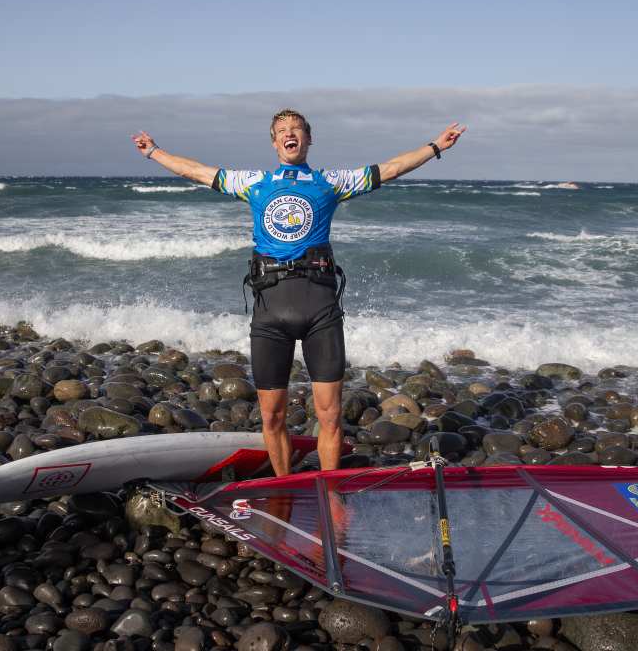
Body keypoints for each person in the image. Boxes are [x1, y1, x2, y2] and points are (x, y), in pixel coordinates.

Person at [132, 110, 465, 476]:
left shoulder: (331, 182)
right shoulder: (254, 182)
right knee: (272, 417)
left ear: (309, 139)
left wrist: (435, 146)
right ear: (275, 143)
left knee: (331, 416)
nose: (290, 134)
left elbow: (390, 169)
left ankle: (330, 490)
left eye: (297, 130)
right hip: (270, 312)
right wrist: (154, 152)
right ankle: (284, 485)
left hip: (320, 309)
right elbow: (194, 171)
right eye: (282, 131)